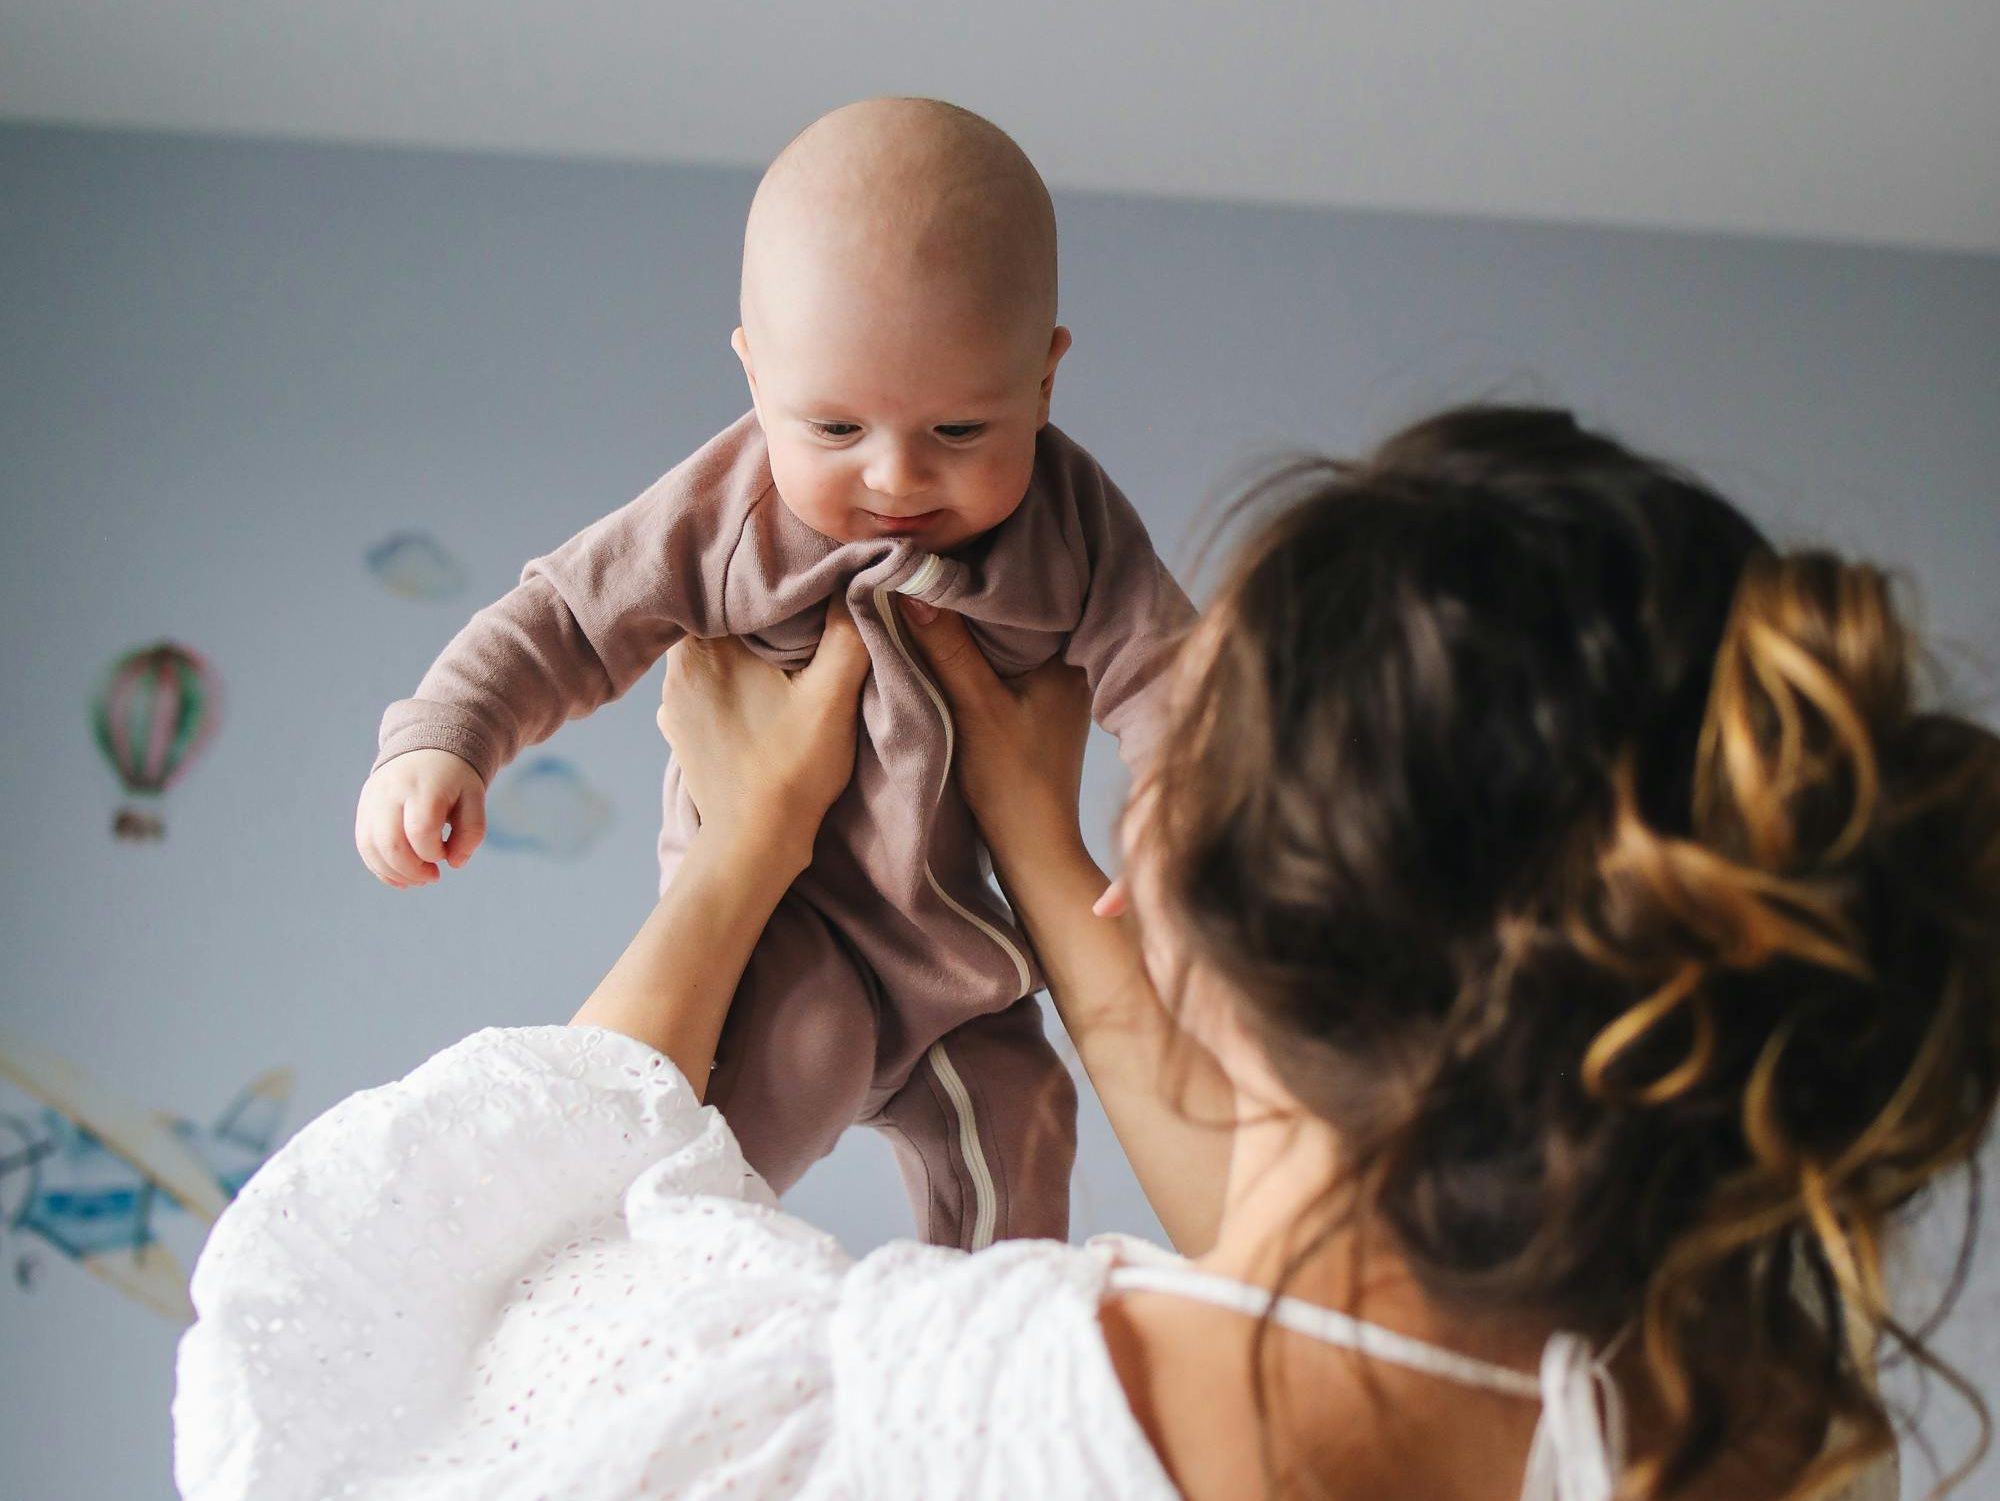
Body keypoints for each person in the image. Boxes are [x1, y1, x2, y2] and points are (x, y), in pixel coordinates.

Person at [178, 406, 1998, 1500]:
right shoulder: (1730, 1453)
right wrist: (1047, 855)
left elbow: (451, 1306)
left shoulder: (916, 1414)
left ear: (1216, 922)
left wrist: (736, 856)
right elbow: (1326, 1261)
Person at [351, 96, 1191, 1252]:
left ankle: (977, 1360)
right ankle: (651, 1307)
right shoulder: (729, 509)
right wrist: (448, 733)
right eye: (834, 428)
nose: (896, 475)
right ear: (755, 380)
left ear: (1042, 382)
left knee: (1025, 1122)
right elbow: (566, 615)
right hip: (787, 940)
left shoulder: (1071, 524)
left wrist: (1181, 808)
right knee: (701, 1148)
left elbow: (1167, 669)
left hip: (961, 965)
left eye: (958, 430)